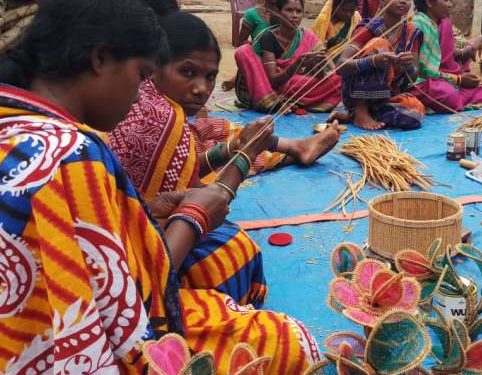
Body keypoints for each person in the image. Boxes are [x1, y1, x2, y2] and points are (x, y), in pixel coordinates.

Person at [0, 1, 319, 373]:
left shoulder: (17, 121)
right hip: (61, 349)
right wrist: (197, 213)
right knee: (294, 342)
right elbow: (129, 300)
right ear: (101, 58)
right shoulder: (72, 155)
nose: (139, 95)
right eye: (141, 75)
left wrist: (149, 208)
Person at [109, 10, 341, 307]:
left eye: (210, 77)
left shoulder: (151, 101)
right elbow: (197, 200)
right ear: (154, 67)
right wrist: (246, 154)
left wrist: (238, 146)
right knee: (236, 250)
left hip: (140, 232)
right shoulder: (163, 119)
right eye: (187, 72)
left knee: (223, 132)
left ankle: (294, 147)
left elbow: (188, 167)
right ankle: (293, 148)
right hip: (141, 272)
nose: (203, 89)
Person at [331, 0, 425, 130]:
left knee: (414, 113)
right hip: (355, 95)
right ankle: (360, 111)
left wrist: (407, 65)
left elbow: (413, 75)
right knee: (379, 45)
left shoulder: (411, 32)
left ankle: (355, 115)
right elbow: (341, 66)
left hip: (387, 96)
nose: (403, 1)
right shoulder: (369, 28)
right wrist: (372, 61)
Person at [233, 0, 342, 113]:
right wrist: (296, 65)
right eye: (289, 10)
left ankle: (289, 101)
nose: (294, 15)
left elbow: (328, 69)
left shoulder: (307, 36)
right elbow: (273, 80)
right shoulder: (268, 37)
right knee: (243, 51)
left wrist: (316, 67)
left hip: (293, 84)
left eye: (298, 11)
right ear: (279, 12)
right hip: (267, 86)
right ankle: (271, 102)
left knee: (339, 78)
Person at [410, 0, 482, 113]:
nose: (450, 4)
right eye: (446, 0)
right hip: (423, 80)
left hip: (443, 77)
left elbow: (450, 53)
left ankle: (440, 102)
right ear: (429, 3)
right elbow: (423, 71)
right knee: (448, 94)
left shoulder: (444, 23)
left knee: (477, 91)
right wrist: (458, 80)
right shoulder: (418, 25)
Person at [222, 0, 277, 91]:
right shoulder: (252, 14)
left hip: (281, 59)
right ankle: (243, 76)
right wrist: (255, 47)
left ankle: (237, 78)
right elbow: (241, 42)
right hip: (260, 60)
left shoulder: (287, 14)